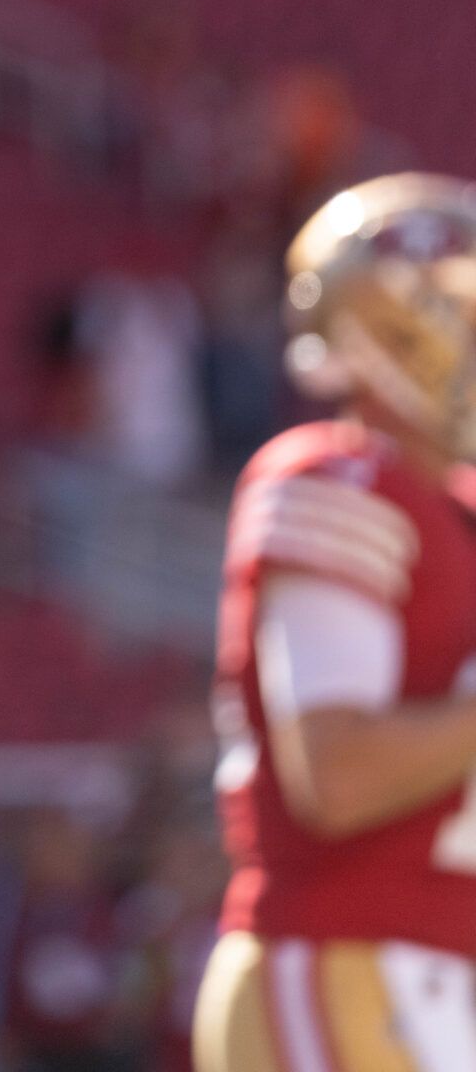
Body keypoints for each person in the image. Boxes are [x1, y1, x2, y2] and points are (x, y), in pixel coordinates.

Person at [193, 173, 476, 1070]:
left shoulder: (456, 508)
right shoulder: (339, 478)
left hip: (432, 974)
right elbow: (338, 773)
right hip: (348, 960)